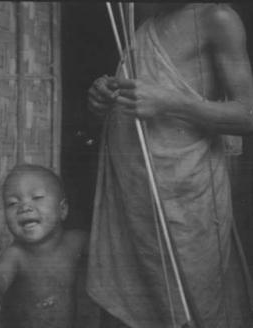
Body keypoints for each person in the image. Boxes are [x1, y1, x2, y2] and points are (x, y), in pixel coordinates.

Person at [87, 3, 253, 328]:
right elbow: (132, 102)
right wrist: (102, 96)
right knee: (136, 306)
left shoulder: (217, 18)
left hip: (186, 198)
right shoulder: (144, 25)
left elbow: (248, 115)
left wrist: (171, 102)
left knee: (193, 308)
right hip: (133, 197)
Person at [0, 164, 88, 328]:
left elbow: (108, 248)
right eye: (12, 203)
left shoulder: (76, 242)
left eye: (37, 197)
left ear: (62, 209)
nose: (24, 207)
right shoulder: (16, 254)